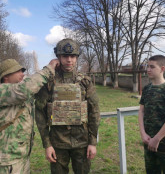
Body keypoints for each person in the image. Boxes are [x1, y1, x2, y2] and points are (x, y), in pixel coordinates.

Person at [35, 38, 100, 174]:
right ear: (58, 57)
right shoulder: (49, 83)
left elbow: (94, 112)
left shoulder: (85, 82)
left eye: (73, 56)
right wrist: (47, 144)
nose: (69, 60)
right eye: (65, 56)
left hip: (82, 142)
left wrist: (92, 142)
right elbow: (40, 113)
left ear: (77, 58)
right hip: (58, 144)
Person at [0, 58, 59, 174]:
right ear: (5, 76)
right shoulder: (3, 91)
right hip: (6, 161)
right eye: (17, 71)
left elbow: (33, 87)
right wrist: (49, 68)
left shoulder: (17, 92)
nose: (22, 74)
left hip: (21, 156)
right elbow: (25, 89)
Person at [138, 55, 165, 174]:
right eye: (147, 66)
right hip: (148, 140)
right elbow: (141, 111)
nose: (148, 69)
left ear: (162, 69)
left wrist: (157, 138)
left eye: (152, 67)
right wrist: (143, 133)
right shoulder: (146, 89)